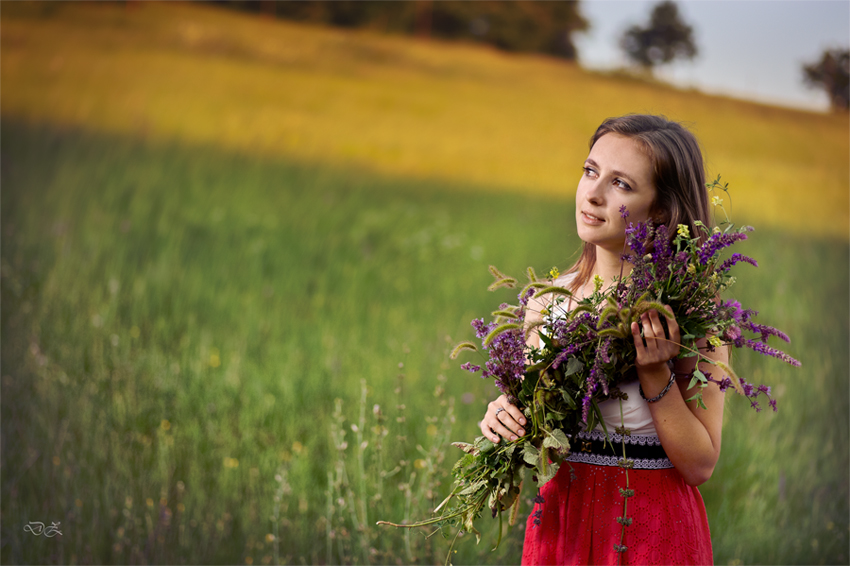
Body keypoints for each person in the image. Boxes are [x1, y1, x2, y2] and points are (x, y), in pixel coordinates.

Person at [479, 114, 726, 565]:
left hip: (650, 525)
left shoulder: (690, 317)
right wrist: (504, 419)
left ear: (661, 210)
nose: (592, 193)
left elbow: (700, 464)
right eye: (590, 171)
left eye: (622, 185)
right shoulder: (545, 304)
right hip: (562, 522)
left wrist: (654, 374)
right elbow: (544, 441)